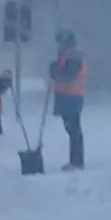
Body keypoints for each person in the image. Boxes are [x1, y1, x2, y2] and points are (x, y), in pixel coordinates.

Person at [48, 27, 87, 170]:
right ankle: (75, 161)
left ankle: (76, 162)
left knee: (73, 130)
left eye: (60, 42)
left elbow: (66, 75)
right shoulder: (67, 55)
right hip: (67, 96)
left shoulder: (73, 56)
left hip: (72, 96)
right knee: (71, 129)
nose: (59, 45)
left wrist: (55, 69)